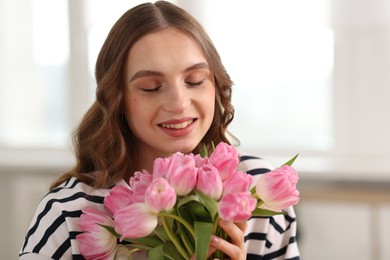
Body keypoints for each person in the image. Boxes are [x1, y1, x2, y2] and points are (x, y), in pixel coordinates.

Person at [19, 1, 300, 259]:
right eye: (151, 87)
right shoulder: (68, 215)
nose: (179, 104)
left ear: (216, 85)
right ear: (117, 99)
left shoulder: (259, 190)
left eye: (194, 80)